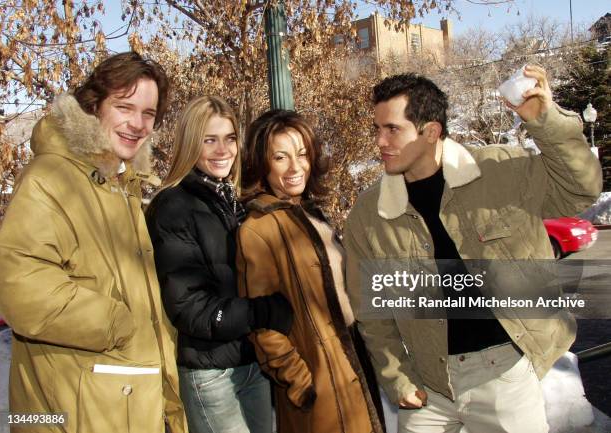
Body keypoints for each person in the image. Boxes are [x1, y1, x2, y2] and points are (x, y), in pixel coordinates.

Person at [343, 66, 602, 433]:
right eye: (377, 130)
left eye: (392, 130)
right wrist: (396, 377)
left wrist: (545, 121)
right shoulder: (369, 214)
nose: (380, 142)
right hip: (428, 385)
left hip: (505, 375)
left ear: (430, 131)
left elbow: (582, 189)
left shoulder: (502, 170)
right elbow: (371, 310)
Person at [0, 52, 187, 433]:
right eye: (124, 107)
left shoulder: (122, 184)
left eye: (149, 113)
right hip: (72, 412)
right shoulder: (52, 176)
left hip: (122, 403)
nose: (138, 124)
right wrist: (119, 322)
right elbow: (20, 287)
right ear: (93, 106)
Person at [146, 96, 293, 433]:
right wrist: (261, 312)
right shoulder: (174, 206)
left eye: (229, 138)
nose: (222, 150)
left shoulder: (235, 200)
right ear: (189, 144)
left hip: (251, 363)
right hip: (211, 374)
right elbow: (188, 306)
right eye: (209, 140)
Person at [236, 109, 385, 433]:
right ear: (262, 164)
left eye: (302, 154)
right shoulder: (258, 228)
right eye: (280, 157)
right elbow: (261, 323)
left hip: (353, 369)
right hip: (321, 389)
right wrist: (301, 384)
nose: (295, 167)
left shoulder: (312, 215)